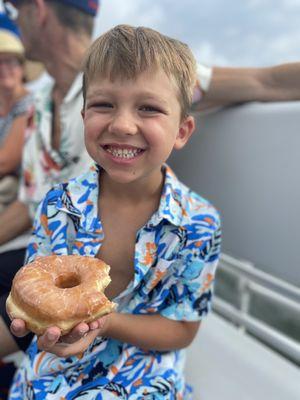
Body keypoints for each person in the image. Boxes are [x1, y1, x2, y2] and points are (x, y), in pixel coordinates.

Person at [6, 24, 221, 399]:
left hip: (144, 372)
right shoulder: (58, 205)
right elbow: (35, 294)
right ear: (84, 113)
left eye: (149, 108)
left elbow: (182, 329)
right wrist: (46, 330)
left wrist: (104, 325)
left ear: (182, 131)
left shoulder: (200, 223)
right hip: (58, 365)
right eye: (104, 105)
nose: (122, 125)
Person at [0, 0, 98, 358]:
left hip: (92, 274)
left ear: (38, 11)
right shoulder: (41, 103)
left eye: (13, 12)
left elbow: (263, 81)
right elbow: (31, 204)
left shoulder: (127, 76)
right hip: (38, 260)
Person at [0, 12, 32, 215]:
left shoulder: (30, 104)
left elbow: (5, 162)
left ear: (22, 68)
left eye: (10, 62)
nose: (3, 69)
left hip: (19, 208)